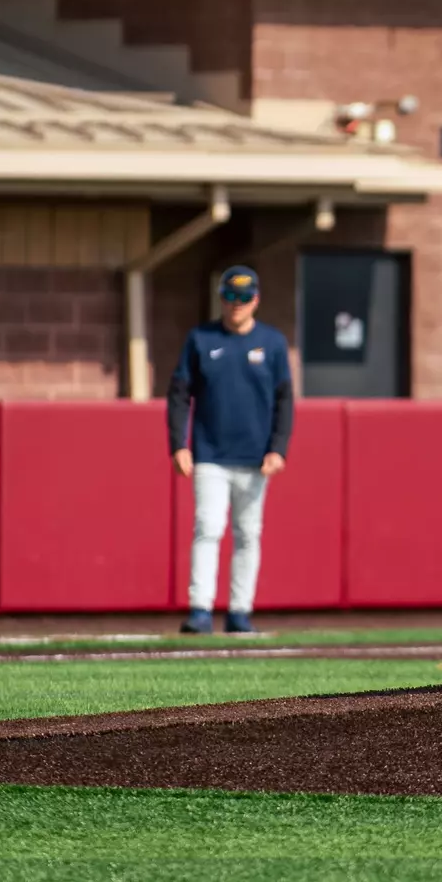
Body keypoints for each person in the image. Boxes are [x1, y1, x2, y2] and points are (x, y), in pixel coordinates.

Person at [166, 265, 293, 634]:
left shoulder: (272, 343)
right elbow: (178, 394)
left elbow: (285, 400)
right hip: (209, 455)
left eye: (244, 297)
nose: (236, 304)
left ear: (256, 300)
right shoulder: (200, 339)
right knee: (208, 526)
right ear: (221, 298)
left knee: (248, 532)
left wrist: (278, 448)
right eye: (230, 296)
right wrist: (179, 444)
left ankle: (240, 611)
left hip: (256, 459)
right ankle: (200, 609)